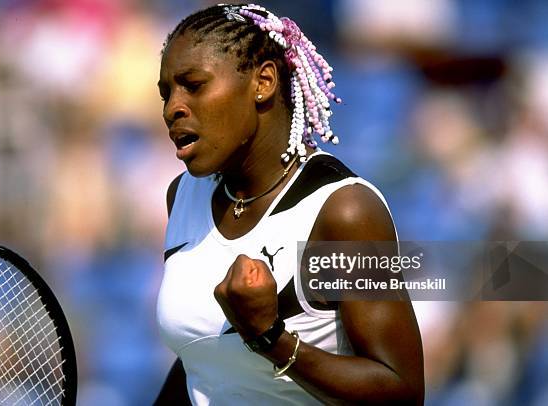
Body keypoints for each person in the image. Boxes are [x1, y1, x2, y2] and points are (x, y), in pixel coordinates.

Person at [155, 3, 424, 404]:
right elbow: (205, 363)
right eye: (166, 92)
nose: (172, 108)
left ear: (263, 82)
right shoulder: (182, 197)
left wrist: (270, 337)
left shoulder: (344, 211)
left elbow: (402, 392)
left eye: (193, 85)